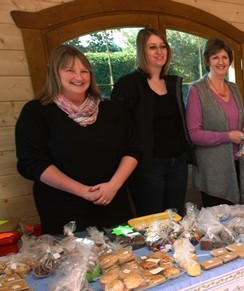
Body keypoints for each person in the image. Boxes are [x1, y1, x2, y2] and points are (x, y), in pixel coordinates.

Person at [15, 45, 141, 235]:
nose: (79, 77)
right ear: (55, 74)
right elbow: (33, 162)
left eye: (84, 71)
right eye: (70, 70)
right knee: (77, 264)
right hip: (64, 211)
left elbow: (133, 148)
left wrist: (113, 186)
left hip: (114, 203)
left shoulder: (111, 110)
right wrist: (83, 191)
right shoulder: (36, 112)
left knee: (123, 259)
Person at [111, 28, 192, 216]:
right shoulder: (128, 84)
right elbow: (120, 130)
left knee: (175, 217)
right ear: (142, 51)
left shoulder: (173, 83)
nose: (159, 51)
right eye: (152, 47)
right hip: (148, 165)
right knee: (152, 221)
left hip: (177, 161)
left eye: (163, 46)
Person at [185, 38, 244, 207]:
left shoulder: (233, 87)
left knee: (241, 220)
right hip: (214, 172)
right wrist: (228, 136)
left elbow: (241, 119)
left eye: (225, 57)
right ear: (208, 60)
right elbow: (194, 134)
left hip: (239, 165)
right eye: (215, 57)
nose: (221, 62)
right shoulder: (197, 90)